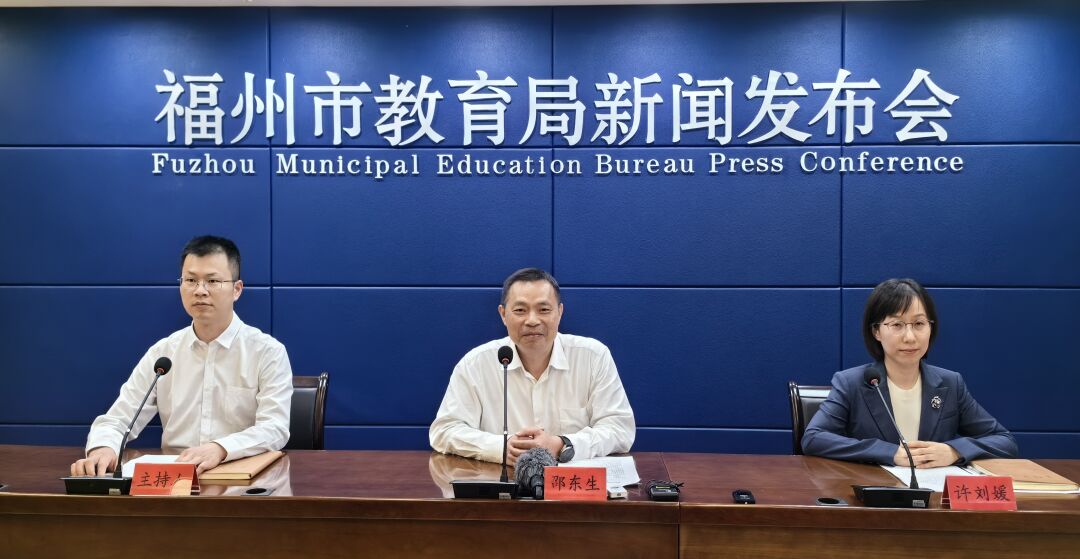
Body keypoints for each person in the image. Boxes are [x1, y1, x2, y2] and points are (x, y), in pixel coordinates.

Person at [70, 236, 292, 476]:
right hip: (175, 481)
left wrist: (220, 448)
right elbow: (117, 419)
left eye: (212, 281)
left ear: (236, 290)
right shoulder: (163, 354)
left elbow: (275, 428)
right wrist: (103, 448)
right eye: (191, 280)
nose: (200, 291)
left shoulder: (267, 352)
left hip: (241, 477)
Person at [802, 278, 1017, 467]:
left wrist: (954, 451)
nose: (910, 337)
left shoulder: (951, 384)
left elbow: (1004, 441)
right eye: (897, 324)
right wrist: (889, 453)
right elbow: (813, 438)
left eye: (919, 323)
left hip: (934, 495)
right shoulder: (851, 383)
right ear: (876, 331)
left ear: (931, 328)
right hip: (874, 493)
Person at [430, 268, 635, 465]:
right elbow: (444, 430)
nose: (532, 320)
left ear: (560, 312)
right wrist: (502, 447)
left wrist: (561, 444)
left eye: (543, 309)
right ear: (503, 314)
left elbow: (619, 429)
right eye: (520, 310)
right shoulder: (475, 364)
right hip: (502, 482)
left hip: (569, 485)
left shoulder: (593, 357)